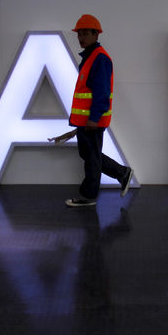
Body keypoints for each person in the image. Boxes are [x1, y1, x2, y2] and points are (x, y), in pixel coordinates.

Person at [62, 14, 133, 208]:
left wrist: (93, 118)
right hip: (85, 121)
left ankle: (88, 196)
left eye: (85, 33)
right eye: (79, 34)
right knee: (90, 156)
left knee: (91, 159)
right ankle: (122, 173)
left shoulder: (99, 59)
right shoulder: (90, 58)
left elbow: (102, 92)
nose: (81, 37)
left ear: (96, 34)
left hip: (92, 121)